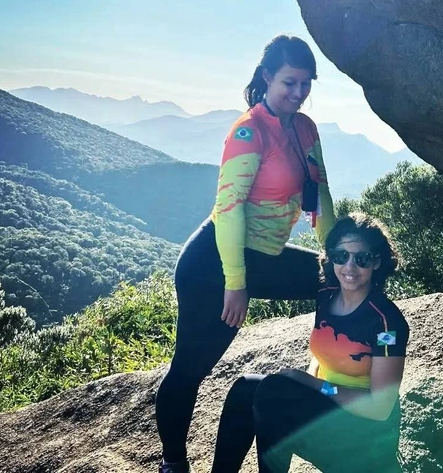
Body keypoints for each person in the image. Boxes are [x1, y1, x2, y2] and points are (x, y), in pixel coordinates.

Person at [155, 34, 336, 473]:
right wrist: (236, 284)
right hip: (213, 264)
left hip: (263, 256)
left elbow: (322, 195)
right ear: (267, 77)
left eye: (306, 83)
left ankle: (328, 383)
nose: (298, 92)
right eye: (289, 82)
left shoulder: (305, 129)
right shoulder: (249, 131)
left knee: (332, 281)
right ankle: (173, 462)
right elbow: (229, 210)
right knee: (192, 367)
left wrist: (335, 256)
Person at [210, 212, 409, 473]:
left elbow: (379, 408)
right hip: (329, 415)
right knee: (245, 389)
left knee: (274, 391)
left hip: (365, 441)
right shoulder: (327, 296)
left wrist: (314, 385)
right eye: (341, 256)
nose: (349, 267)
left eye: (361, 258)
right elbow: (324, 354)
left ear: (377, 261)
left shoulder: (386, 323)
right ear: (331, 257)